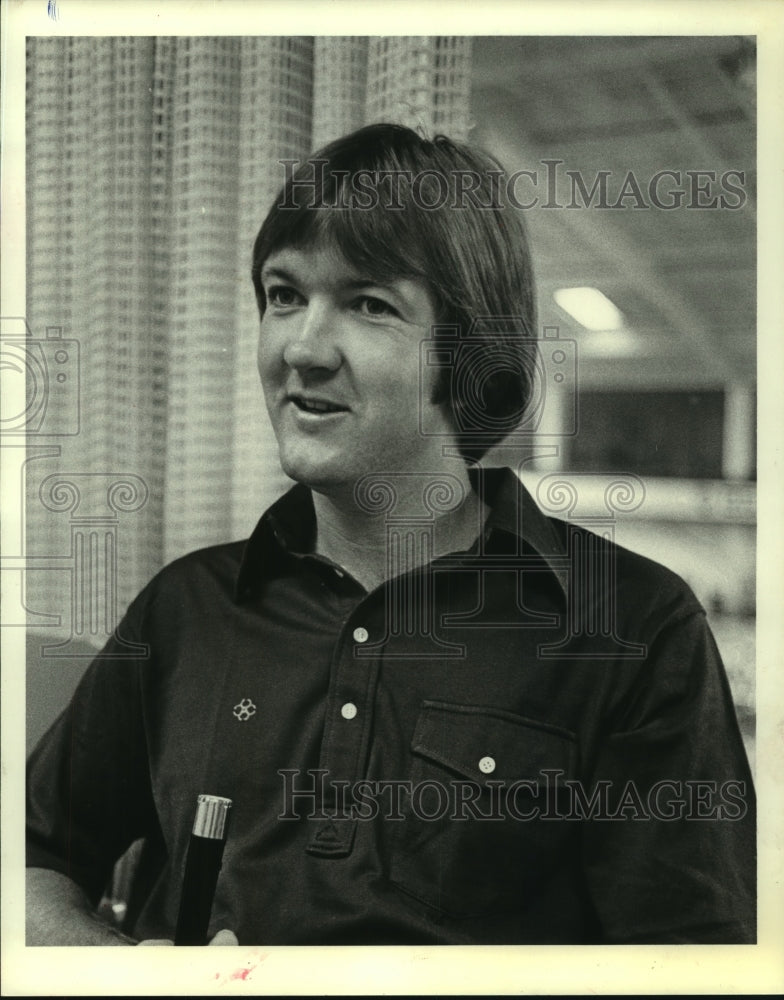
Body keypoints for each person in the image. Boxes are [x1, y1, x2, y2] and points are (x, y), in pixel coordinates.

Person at [26, 123, 755, 945]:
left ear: (469, 356)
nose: (301, 347)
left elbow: (691, 964)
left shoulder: (636, 630)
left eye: (369, 304)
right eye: (283, 294)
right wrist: (115, 969)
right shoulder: (185, 610)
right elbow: (31, 860)